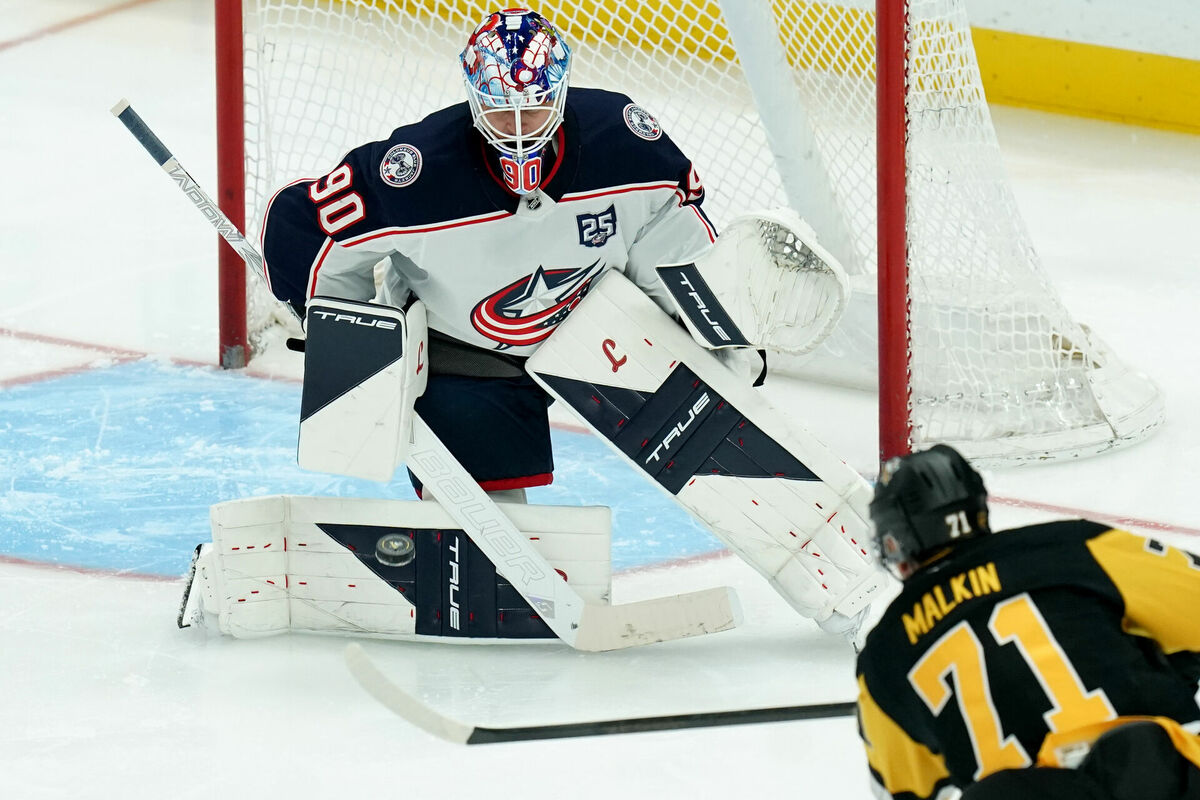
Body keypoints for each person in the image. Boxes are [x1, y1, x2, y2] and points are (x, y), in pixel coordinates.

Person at [259, 7, 739, 502]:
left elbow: (669, 228)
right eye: (497, 106)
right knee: (497, 538)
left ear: (559, 91)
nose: (515, 126)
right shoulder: (417, 172)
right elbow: (298, 228)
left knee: (716, 473)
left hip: (603, 337)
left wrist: (712, 332)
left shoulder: (623, 141)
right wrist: (349, 339)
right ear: (472, 96)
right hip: (467, 358)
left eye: (531, 106)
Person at [857, 444, 1200, 800]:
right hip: (1157, 776)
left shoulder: (883, 659)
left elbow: (904, 792)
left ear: (895, 542)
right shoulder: (1073, 547)